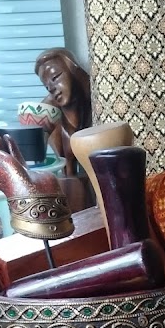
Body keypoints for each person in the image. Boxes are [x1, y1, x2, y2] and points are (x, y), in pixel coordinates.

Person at [34, 47, 95, 212]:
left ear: (73, 69)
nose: (52, 88)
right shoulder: (51, 112)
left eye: (55, 77)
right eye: (47, 86)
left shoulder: (97, 100)